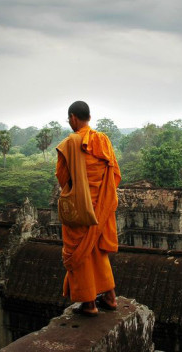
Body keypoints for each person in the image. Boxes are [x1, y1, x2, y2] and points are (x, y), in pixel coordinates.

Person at [56, 101, 121, 316]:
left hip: (80, 210)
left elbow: (63, 178)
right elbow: (115, 175)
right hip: (100, 208)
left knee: (78, 252)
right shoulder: (103, 140)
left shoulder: (69, 144)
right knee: (96, 250)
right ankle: (110, 297)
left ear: (73, 118)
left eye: (69, 119)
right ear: (89, 117)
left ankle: (89, 303)